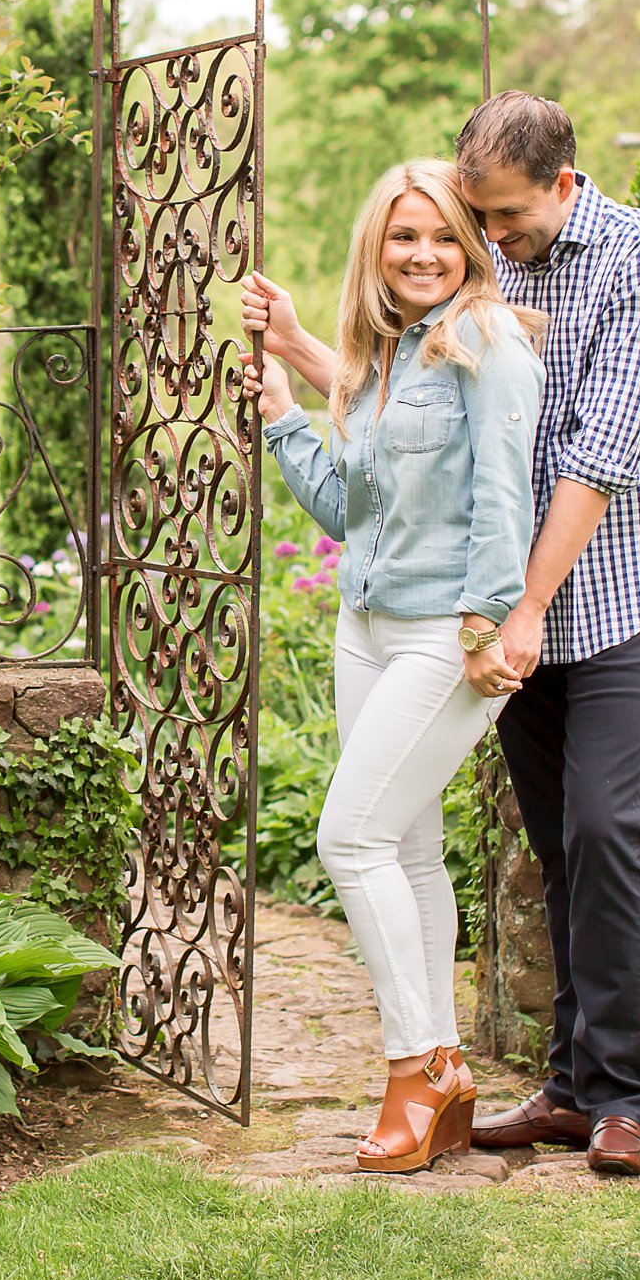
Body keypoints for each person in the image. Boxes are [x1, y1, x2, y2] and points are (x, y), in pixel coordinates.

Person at [245, 93, 640, 1178]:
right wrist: (302, 355)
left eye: (494, 219)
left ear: (560, 183)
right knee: (553, 840)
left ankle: (621, 1099)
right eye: (471, 220)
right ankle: (565, 1083)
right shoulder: (492, 266)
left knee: (605, 828)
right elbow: (416, 426)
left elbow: (596, 456)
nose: (484, 237)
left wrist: (518, 608)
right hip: (506, 601)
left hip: (612, 586)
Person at [241, 157, 544, 1174]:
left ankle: (412, 1068)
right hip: (363, 624)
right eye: (403, 235)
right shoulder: (386, 361)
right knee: (407, 851)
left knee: (349, 837)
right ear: (376, 244)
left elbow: (507, 499)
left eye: (444, 235)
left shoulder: (489, 343)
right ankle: (448, 1071)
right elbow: (347, 513)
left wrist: (483, 626)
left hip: (440, 634)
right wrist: (285, 408)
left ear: (473, 246)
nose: (422, 254)